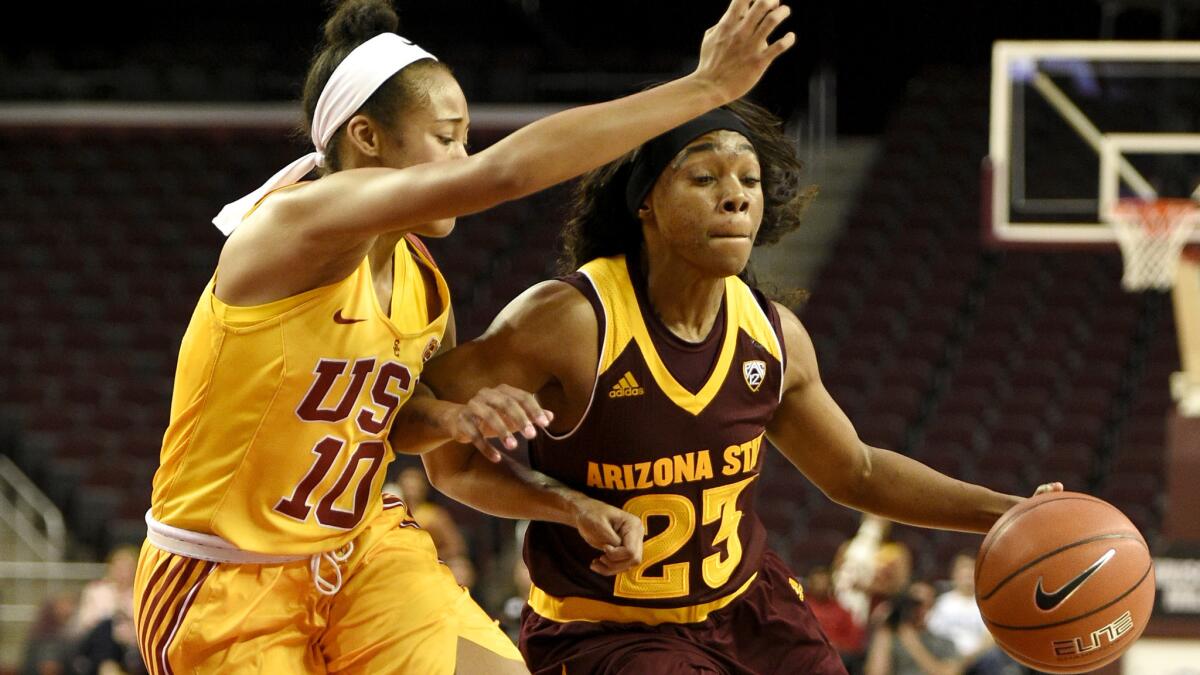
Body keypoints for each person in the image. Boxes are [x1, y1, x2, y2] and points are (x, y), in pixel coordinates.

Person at [131, 0, 796, 672]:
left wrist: (459, 419)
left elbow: (402, 434)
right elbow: (502, 175)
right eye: (447, 137)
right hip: (224, 579)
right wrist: (704, 88)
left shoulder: (423, 280)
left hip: (361, 552)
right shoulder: (291, 230)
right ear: (366, 136)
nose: (462, 156)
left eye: (466, 140)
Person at [405, 99, 1064, 673]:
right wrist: (567, 505)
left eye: (749, 179)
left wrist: (1007, 512)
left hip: (751, 611)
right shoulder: (568, 321)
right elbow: (445, 458)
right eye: (704, 176)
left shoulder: (774, 337)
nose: (737, 194)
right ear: (646, 202)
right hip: (607, 631)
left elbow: (856, 473)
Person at [865, 582, 962, 675]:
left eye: (925, 604)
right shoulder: (890, 637)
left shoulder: (944, 642)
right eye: (914, 604)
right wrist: (886, 629)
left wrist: (911, 642)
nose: (919, 609)